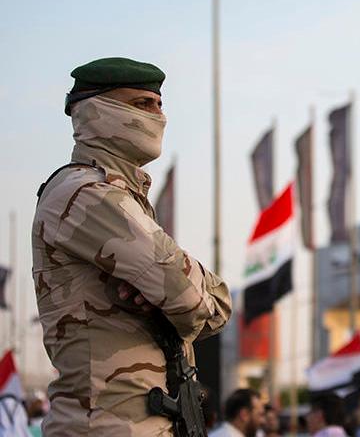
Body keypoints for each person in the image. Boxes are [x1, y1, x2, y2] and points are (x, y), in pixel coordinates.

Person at [32, 57, 233, 434]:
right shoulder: (86, 193)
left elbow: (218, 304)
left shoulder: (123, 196)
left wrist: (172, 294)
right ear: (95, 110)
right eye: (141, 104)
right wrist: (176, 292)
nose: (158, 115)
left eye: (159, 104)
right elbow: (188, 296)